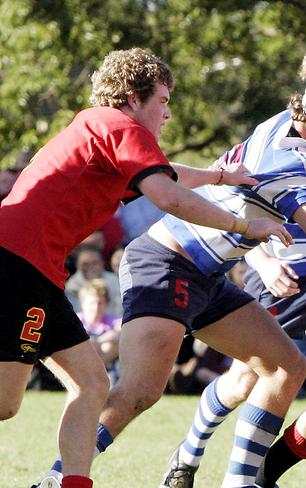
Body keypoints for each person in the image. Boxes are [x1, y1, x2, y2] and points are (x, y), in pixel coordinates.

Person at [37, 63, 306, 488]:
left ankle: (240, 483)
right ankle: (56, 479)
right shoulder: (290, 159)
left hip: (209, 275)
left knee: (284, 367)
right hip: (166, 262)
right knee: (140, 390)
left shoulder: (300, 132)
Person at [0, 47, 286, 488]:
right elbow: (168, 198)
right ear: (134, 98)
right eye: (164, 100)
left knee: (92, 385)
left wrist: (219, 177)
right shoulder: (120, 125)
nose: (167, 114)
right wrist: (246, 225)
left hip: (36, 270)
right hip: (18, 266)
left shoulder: (101, 129)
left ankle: (67, 483)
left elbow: (164, 174)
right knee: (4, 402)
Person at [159, 33, 306, 488]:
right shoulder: (280, 132)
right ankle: (189, 451)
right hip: (282, 261)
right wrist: (263, 261)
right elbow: (244, 197)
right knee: (249, 377)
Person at [76, 279, 121, 371]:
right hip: (79, 362)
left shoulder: (110, 320)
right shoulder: (76, 320)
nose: (96, 308)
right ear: (83, 303)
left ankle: (94, 372)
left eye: (100, 303)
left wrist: (99, 341)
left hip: (106, 364)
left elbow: (122, 329)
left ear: (106, 304)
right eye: (92, 303)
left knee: (110, 345)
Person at [65, 246, 122, 316]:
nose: (90, 267)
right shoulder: (71, 286)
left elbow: (120, 308)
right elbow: (74, 313)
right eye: (85, 264)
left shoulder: (114, 280)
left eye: (95, 263)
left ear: (102, 263)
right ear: (78, 265)